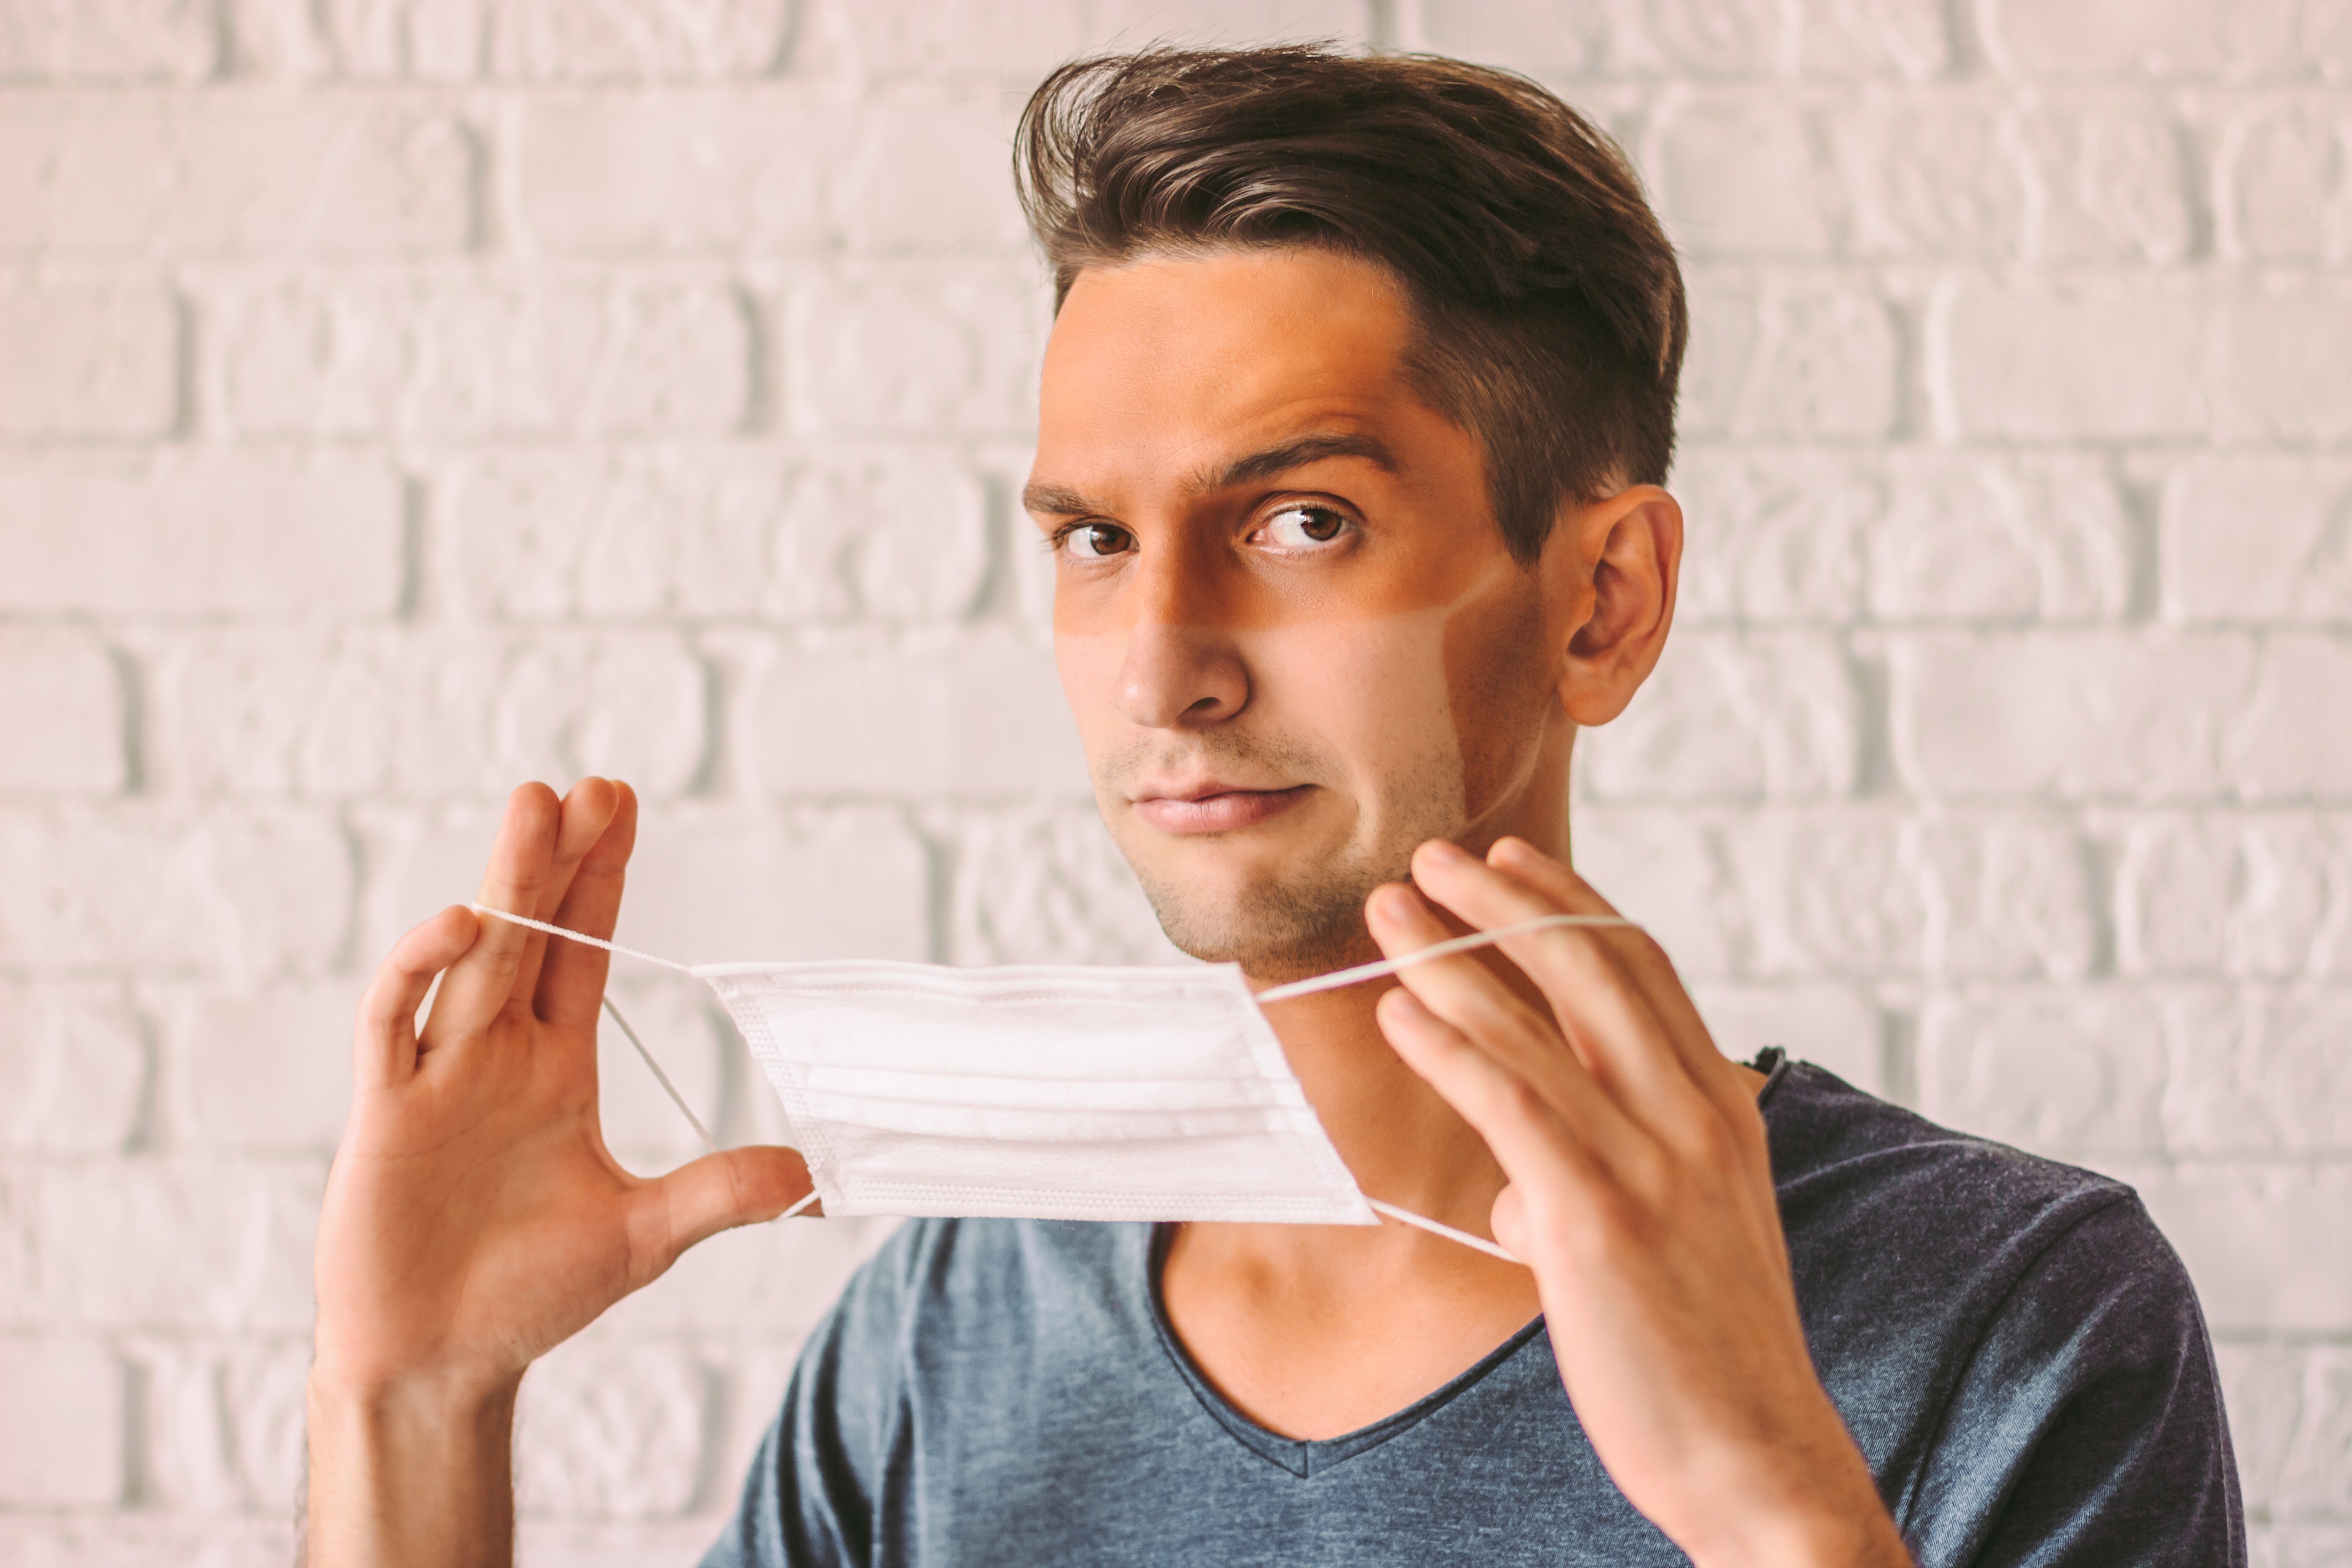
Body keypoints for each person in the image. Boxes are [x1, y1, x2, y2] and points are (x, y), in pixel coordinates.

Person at [302, 46, 2243, 1568]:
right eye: (1090, 538)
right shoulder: (957, 1327)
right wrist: (407, 1403)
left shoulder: (2011, 1319)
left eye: (1303, 522)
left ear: (1602, 602)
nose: (1162, 668)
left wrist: (1768, 1508)